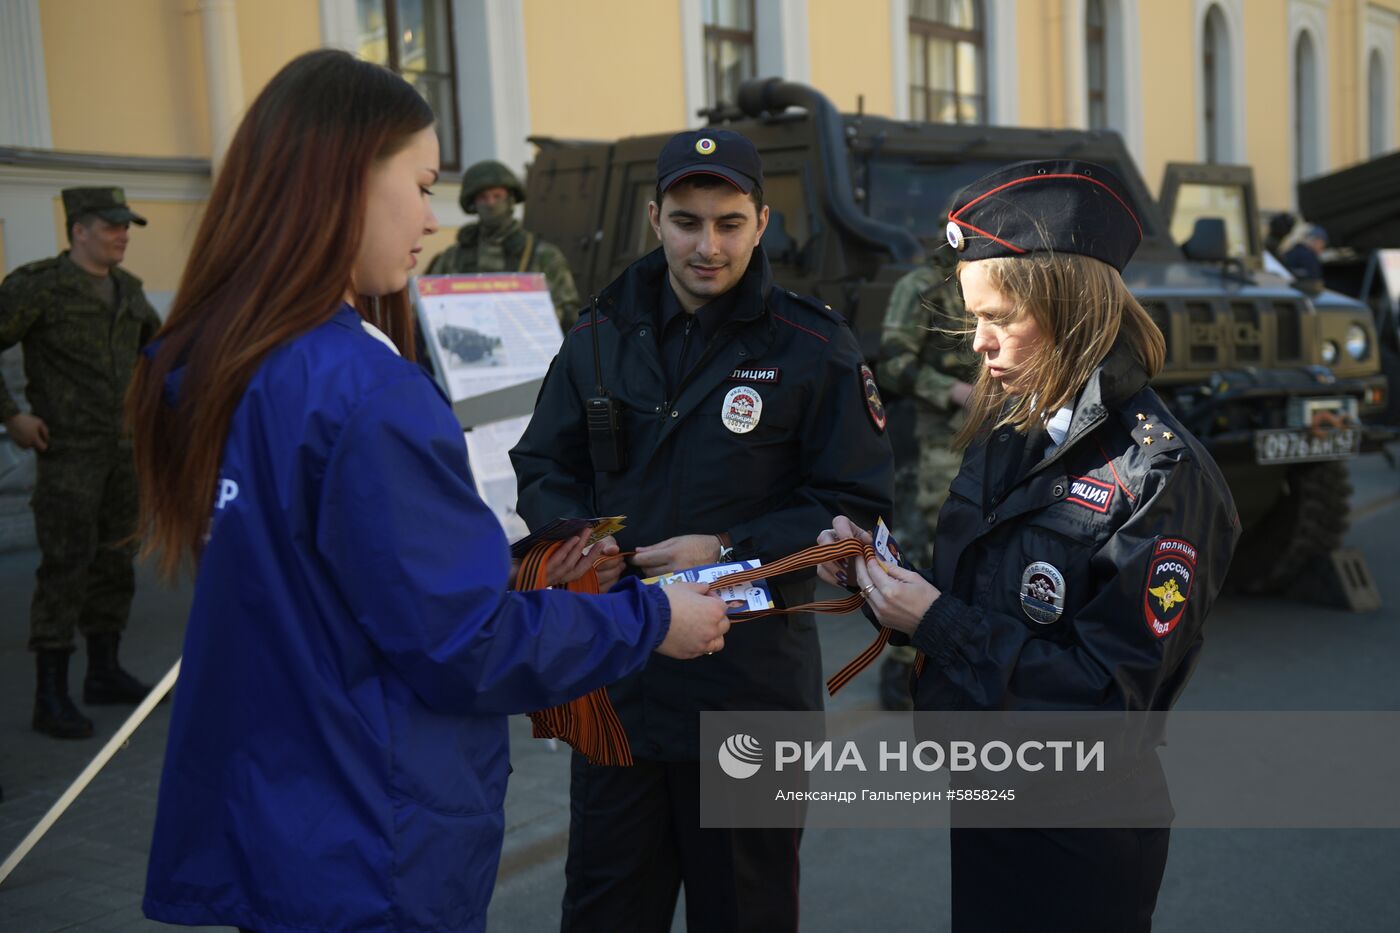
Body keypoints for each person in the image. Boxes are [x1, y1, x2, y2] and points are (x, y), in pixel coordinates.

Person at [127, 50, 730, 933]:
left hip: (285, 813)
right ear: (339, 181)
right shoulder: (362, 390)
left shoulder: (221, 364)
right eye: (420, 182)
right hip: (371, 838)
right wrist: (652, 618)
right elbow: (467, 641)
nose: (433, 216)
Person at [818, 159, 1240, 933]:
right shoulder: (1011, 428)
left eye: (999, 317)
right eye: (971, 316)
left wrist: (935, 619)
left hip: (1079, 829)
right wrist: (883, 575)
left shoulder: (1159, 474)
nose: (978, 343)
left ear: (1072, 307)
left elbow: (1110, 704)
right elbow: (986, 592)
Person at [511, 127, 894, 932]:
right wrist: (576, 539)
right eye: (688, 221)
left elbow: (852, 502)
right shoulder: (598, 335)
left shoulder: (812, 345)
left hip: (748, 694)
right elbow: (543, 463)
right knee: (606, 911)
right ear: (655, 218)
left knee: (745, 913)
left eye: (729, 223)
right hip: (619, 679)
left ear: (761, 221)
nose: (708, 245)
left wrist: (728, 548)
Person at [0, 186, 161, 739]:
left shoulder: (131, 292)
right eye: (112, 226)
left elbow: (160, 356)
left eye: (127, 226)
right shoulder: (39, 286)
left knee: (116, 560)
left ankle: (104, 671)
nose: (123, 235)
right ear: (79, 231)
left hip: (122, 454)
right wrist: (11, 417)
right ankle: (51, 694)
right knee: (66, 565)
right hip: (68, 454)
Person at [875, 239, 978, 710]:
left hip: (988, 431)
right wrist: (954, 390)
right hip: (932, 437)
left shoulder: (993, 281)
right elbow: (893, 363)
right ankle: (901, 669)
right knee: (925, 546)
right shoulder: (920, 287)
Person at [425, 159, 582, 329]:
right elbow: (429, 306)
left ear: (510, 200)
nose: (491, 203)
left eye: (497, 196)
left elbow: (569, 314)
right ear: (473, 204)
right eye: (483, 198)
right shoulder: (453, 257)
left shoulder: (544, 256)